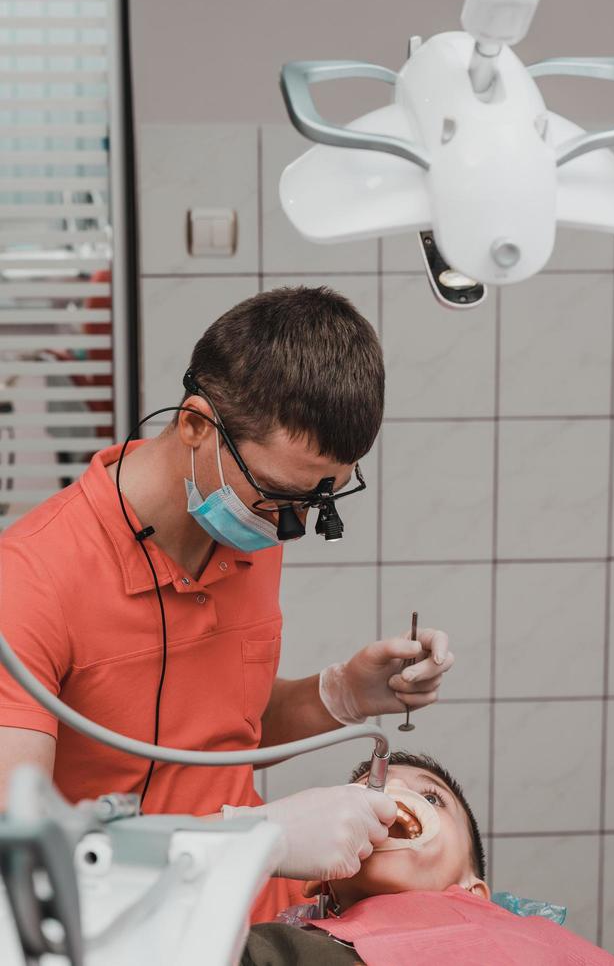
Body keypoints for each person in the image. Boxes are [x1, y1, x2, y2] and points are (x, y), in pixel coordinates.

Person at [0, 286, 453, 922]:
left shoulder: (253, 527)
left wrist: (343, 694)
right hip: (120, 929)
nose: (291, 526)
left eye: (321, 502)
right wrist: (252, 837)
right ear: (194, 425)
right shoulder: (28, 582)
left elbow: (220, 735)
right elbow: (15, 851)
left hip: (254, 921)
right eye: (279, 494)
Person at [240, 752, 614, 965]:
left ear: (475, 891)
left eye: (433, 798)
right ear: (321, 883)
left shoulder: (551, 948)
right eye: (370, 792)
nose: (395, 791)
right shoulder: (282, 952)